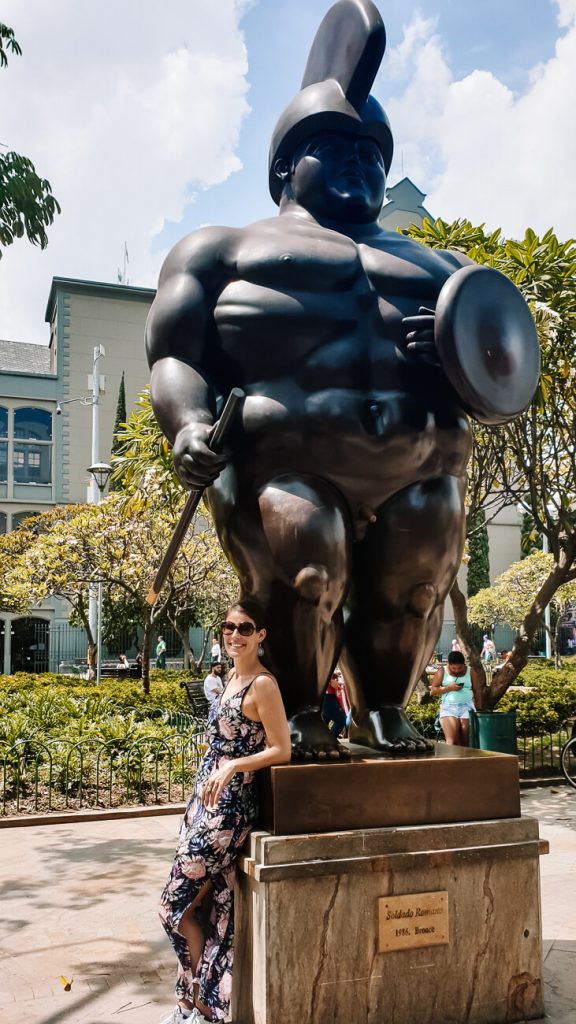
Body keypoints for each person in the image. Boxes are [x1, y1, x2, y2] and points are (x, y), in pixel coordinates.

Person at [146, 0, 537, 758]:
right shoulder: (221, 250)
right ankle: (301, 715)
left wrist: (454, 359)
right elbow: (175, 356)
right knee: (308, 567)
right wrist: (188, 423)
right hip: (285, 465)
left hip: (421, 467)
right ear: (287, 166)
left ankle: (385, 708)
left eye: (373, 155)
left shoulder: (444, 270)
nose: (361, 165)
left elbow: (500, 375)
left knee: (417, 587)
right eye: (339, 148)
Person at [159, 600, 291, 1024]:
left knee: (171, 907)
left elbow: (281, 749)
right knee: (202, 908)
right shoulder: (230, 676)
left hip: (229, 812)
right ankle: (195, 1003)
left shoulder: (262, 684)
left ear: (261, 635)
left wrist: (234, 763)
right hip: (203, 803)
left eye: (245, 628)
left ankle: (197, 1000)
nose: (234, 635)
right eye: (229, 627)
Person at [430, 651, 478, 746]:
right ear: (448, 664)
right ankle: (452, 760)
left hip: (467, 706)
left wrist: (479, 708)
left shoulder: (471, 671)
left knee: (465, 739)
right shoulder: (442, 671)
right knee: (452, 741)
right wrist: (448, 688)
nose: (456, 670)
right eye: (453, 668)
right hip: (448, 707)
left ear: (464, 664)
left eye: (459, 667)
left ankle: (464, 759)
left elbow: (477, 690)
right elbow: (433, 691)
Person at [321, 670, 348, 737]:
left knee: (324, 723)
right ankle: (330, 740)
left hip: (329, 695)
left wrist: (333, 675)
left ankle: (327, 741)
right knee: (341, 719)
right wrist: (330, 680)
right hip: (327, 695)